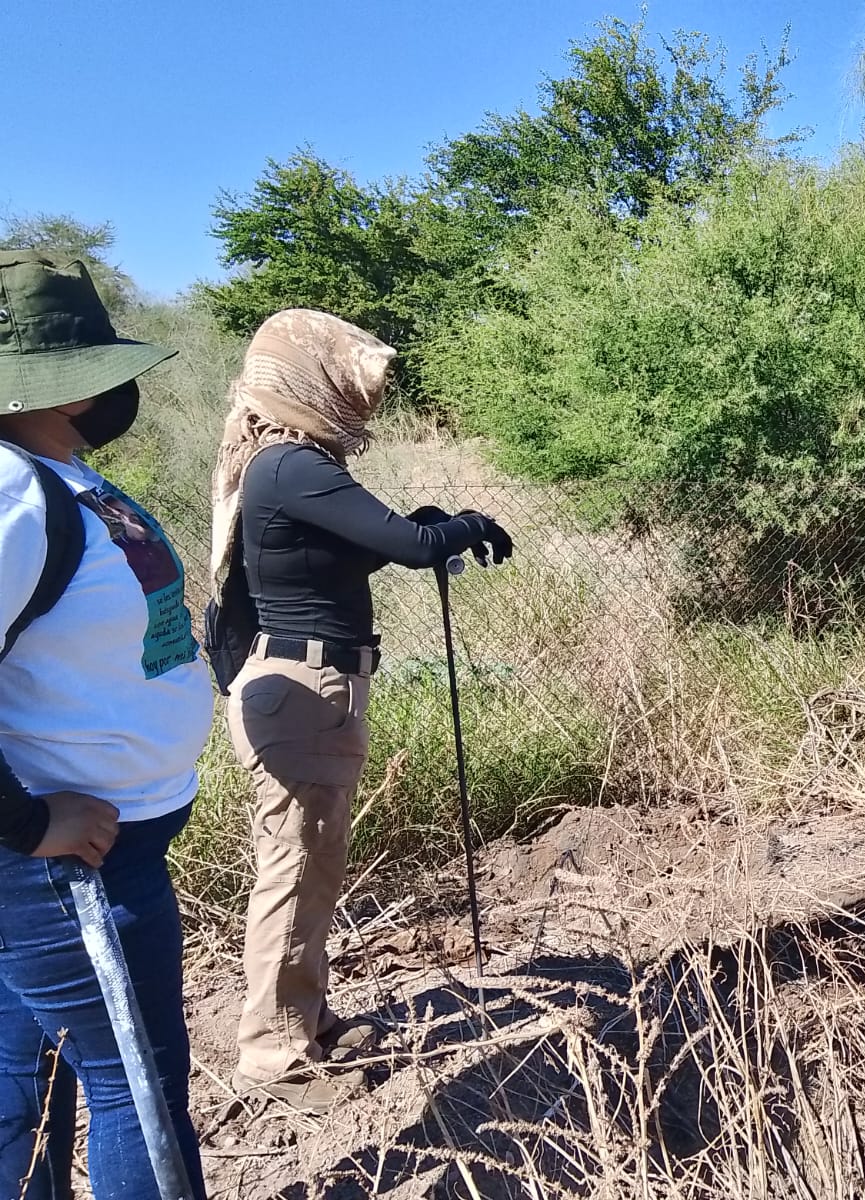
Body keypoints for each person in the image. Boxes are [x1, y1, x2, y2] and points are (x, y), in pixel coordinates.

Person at [212, 309, 515, 1113]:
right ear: (305, 379)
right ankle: (276, 1053)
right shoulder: (293, 465)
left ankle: (300, 1018)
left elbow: (373, 539)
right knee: (294, 870)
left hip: (311, 689)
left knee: (311, 867)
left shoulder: (283, 462)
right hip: (306, 691)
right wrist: (462, 525)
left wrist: (426, 527)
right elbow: (411, 549)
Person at [0, 250, 213, 1198]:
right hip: (66, 867)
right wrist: (27, 825)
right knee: (139, 1092)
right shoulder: (11, 494)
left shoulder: (50, 474)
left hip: (96, 856)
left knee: (24, 1085)